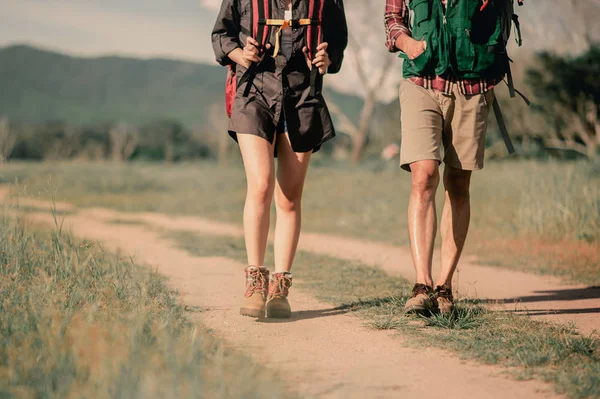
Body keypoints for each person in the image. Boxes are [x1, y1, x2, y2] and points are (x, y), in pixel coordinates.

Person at [212, 0, 347, 318]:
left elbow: (337, 43)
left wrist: (329, 59)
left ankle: (280, 287)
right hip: (253, 92)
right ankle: (255, 281)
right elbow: (221, 36)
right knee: (260, 185)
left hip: (302, 96)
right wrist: (240, 54)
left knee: (289, 197)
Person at [384, 0, 510, 314]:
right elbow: (393, 17)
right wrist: (406, 42)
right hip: (421, 82)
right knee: (424, 174)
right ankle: (421, 285)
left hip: (473, 83)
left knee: (458, 182)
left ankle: (444, 287)